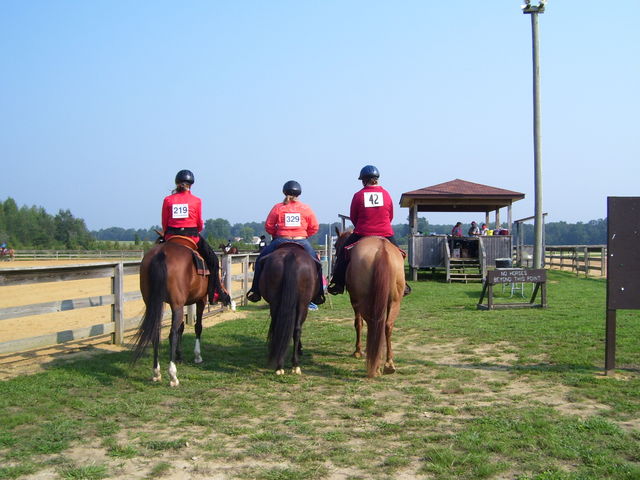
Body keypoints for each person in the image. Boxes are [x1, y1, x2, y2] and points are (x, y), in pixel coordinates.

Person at [327, 165, 411, 296]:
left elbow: (354, 217)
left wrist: (363, 226)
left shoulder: (358, 195)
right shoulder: (386, 194)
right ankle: (403, 284)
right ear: (376, 179)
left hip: (362, 233)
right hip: (385, 232)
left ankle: (338, 283)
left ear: (363, 180)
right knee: (400, 254)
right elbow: (391, 215)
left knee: (343, 252)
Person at [247, 180, 325, 305]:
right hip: (301, 241)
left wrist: (276, 234)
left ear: (284, 192)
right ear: (299, 194)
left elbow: (269, 226)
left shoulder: (278, 207)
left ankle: (255, 290)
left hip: (280, 240)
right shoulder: (306, 208)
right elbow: (314, 227)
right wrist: (303, 234)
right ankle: (319, 294)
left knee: (260, 260)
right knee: (317, 263)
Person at [162, 169, 224, 304]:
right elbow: (199, 224)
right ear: (191, 184)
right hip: (191, 237)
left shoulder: (168, 200)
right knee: (213, 261)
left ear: (177, 183)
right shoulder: (196, 200)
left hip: (171, 237)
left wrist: (168, 234)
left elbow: (164, 222)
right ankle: (215, 293)